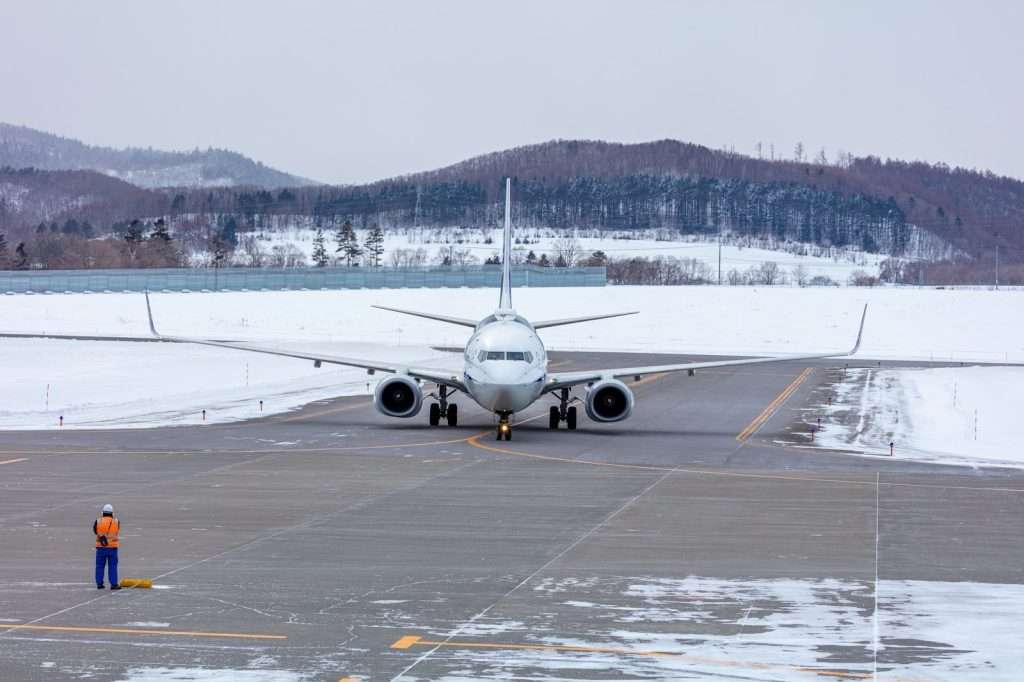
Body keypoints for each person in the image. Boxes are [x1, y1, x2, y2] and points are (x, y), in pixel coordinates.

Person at [93, 503, 120, 590]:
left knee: (99, 566)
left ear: (103, 512)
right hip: (112, 548)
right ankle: (114, 584)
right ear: (112, 513)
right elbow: (117, 531)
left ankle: (99, 584)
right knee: (112, 566)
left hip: (101, 547)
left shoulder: (98, 521)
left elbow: (95, 531)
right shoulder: (116, 521)